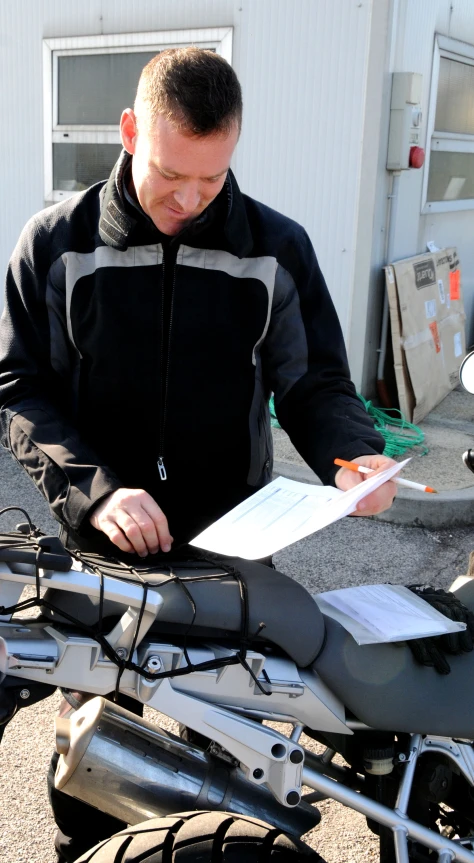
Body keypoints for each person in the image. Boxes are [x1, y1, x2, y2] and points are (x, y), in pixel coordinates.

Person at [0, 48, 396, 861]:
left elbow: (315, 381)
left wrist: (352, 455)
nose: (187, 200)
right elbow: (17, 386)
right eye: (169, 172)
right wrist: (99, 491)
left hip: (232, 549)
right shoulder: (55, 243)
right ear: (130, 130)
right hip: (102, 549)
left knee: (228, 758)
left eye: (210, 181)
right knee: (95, 757)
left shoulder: (276, 248)